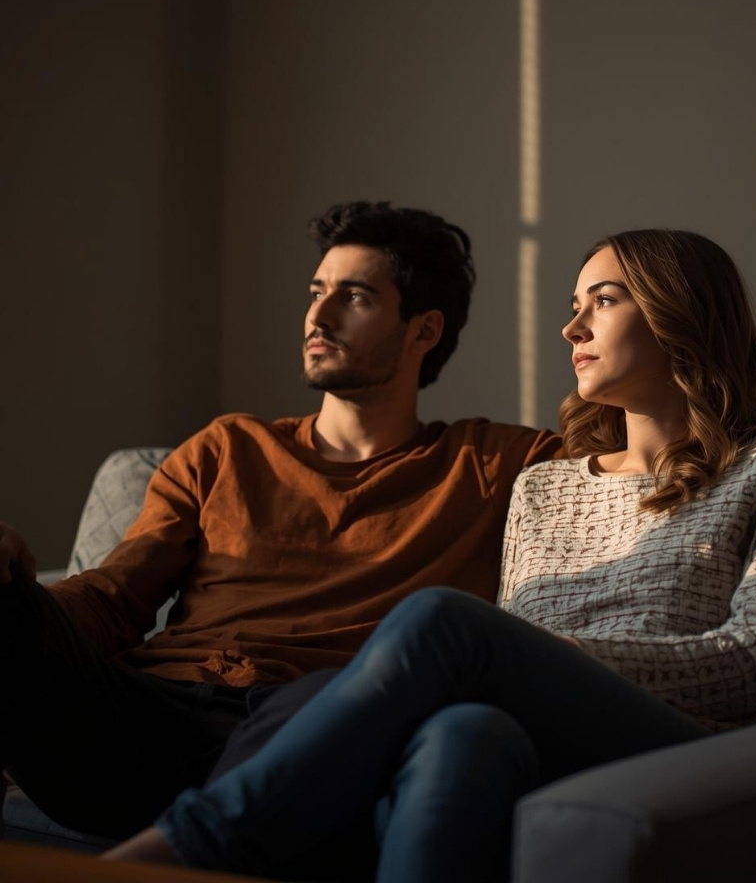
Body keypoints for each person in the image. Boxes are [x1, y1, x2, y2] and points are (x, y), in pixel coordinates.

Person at [106, 228, 756, 883]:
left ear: (680, 313)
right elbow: (511, 655)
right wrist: (530, 659)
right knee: (464, 732)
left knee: (441, 621)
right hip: (544, 725)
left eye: (604, 300)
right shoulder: (543, 486)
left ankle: (187, 850)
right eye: (573, 302)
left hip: (691, 741)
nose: (571, 326)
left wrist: (553, 656)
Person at [0, 202, 559, 844]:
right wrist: (20, 596)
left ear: (423, 331)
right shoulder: (227, 448)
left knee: (330, 699)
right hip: (141, 717)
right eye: (316, 292)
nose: (318, 316)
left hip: (309, 728)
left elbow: (640, 446)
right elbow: (113, 597)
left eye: (354, 297)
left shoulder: (488, 464)